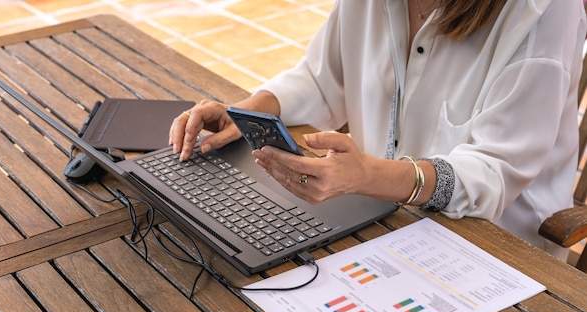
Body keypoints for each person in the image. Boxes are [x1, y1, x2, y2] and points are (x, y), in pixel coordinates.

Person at [169, 0, 587, 259]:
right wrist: (248, 110)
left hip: (495, 249)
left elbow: (492, 173)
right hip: (381, 222)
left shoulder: (544, 8)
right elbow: (323, 78)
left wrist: (368, 176)